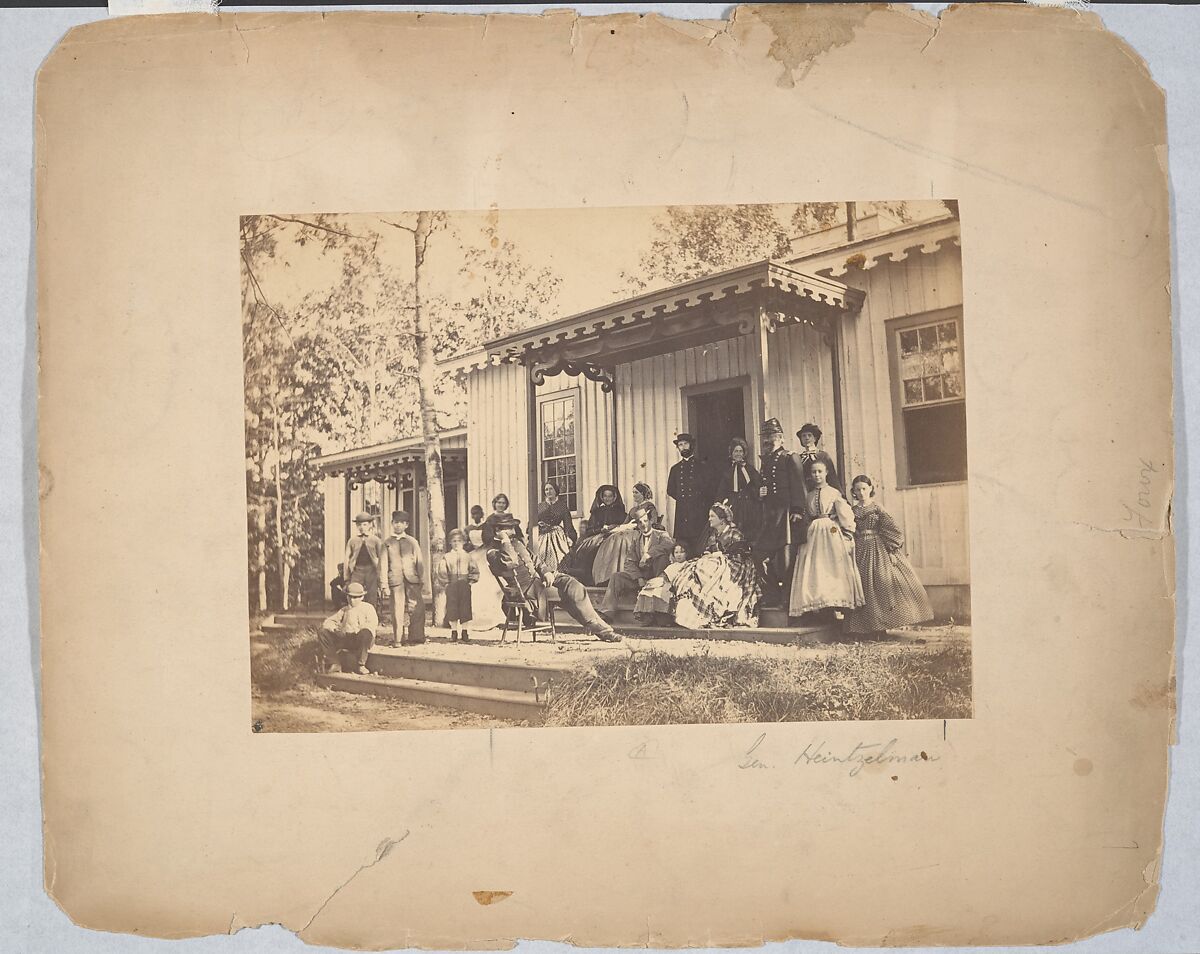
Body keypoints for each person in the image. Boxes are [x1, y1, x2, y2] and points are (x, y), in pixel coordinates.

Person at [484, 513, 622, 642]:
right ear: (498, 531)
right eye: (509, 529)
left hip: (540, 581)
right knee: (570, 595)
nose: (513, 531)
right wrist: (505, 541)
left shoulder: (517, 544)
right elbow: (511, 562)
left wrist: (546, 572)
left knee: (572, 584)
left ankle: (596, 625)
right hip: (530, 591)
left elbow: (536, 560)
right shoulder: (493, 552)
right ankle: (601, 629)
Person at [843, 475, 934, 636]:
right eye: (857, 489)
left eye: (864, 488)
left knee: (880, 585)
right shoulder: (852, 511)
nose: (861, 492)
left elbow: (892, 529)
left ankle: (881, 627)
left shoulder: (877, 508)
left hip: (878, 549)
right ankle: (865, 627)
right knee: (862, 586)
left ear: (870, 489)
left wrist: (892, 550)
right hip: (859, 549)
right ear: (854, 492)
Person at [788, 460, 864, 620]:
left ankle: (833, 605)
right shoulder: (807, 495)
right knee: (814, 568)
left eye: (820, 472)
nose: (816, 475)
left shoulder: (834, 493)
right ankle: (819, 608)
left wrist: (848, 531)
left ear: (826, 473)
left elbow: (844, 513)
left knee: (831, 568)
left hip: (831, 531)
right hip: (813, 533)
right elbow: (807, 516)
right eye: (814, 472)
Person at [672, 503, 763, 629]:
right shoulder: (713, 535)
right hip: (716, 563)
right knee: (693, 569)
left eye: (712, 516)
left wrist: (720, 556)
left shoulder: (735, 534)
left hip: (734, 567)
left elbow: (740, 557)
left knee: (708, 568)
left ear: (721, 520)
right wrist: (710, 555)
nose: (709, 519)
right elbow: (709, 551)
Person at [752, 418, 806, 608]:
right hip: (770, 517)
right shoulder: (765, 461)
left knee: (785, 561)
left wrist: (798, 510)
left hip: (787, 516)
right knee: (759, 554)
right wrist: (760, 493)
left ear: (781, 438)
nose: (769, 440)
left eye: (773, 436)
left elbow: (799, 485)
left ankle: (786, 599)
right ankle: (773, 594)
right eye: (766, 437)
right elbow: (761, 487)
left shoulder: (790, 457)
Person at [598, 504, 674, 622]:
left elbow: (669, 545)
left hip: (657, 577)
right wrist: (638, 577)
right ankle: (607, 612)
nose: (643, 525)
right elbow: (629, 562)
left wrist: (649, 554)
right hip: (641, 578)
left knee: (662, 557)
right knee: (616, 577)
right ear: (637, 525)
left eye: (645, 521)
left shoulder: (661, 535)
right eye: (640, 523)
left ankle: (656, 611)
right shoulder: (636, 540)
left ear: (650, 521)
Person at [591, 482, 664, 586]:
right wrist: (616, 528)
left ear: (643, 494)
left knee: (622, 540)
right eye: (633, 493)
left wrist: (636, 526)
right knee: (613, 538)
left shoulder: (649, 506)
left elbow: (653, 521)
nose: (634, 495)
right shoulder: (633, 509)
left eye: (636, 493)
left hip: (640, 532)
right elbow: (624, 524)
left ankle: (623, 572)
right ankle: (607, 575)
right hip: (629, 531)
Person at [557, 485, 626, 586]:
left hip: (616, 537)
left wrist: (616, 527)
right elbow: (589, 530)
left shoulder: (621, 512)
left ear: (614, 497)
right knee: (590, 550)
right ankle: (591, 579)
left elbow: (625, 526)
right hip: (599, 536)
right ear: (602, 497)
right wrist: (601, 529)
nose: (607, 499)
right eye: (605, 496)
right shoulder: (597, 512)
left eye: (610, 496)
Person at [380, 510, 426, 645]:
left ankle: (416, 637)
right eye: (396, 523)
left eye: (402, 523)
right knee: (396, 610)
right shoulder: (387, 543)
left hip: (412, 579)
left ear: (406, 525)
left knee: (417, 607)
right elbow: (382, 565)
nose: (398, 525)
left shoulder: (412, 542)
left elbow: (419, 561)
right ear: (392, 524)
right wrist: (384, 584)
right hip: (395, 580)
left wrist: (421, 578)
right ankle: (398, 639)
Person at [317, 582, 378, 675]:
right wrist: (335, 629)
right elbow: (329, 621)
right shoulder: (344, 610)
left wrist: (357, 630)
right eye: (350, 597)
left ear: (362, 597)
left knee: (366, 633)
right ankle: (334, 663)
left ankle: (361, 664)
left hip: (361, 639)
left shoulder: (368, 608)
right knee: (323, 632)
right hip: (347, 638)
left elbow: (371, 624)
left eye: (356, 597)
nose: (352, 600)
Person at [666, 432, 710, 556]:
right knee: (683, 547)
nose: (683, 447)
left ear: (691, 445)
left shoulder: (701, 466)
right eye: (680, 444)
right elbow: (671, 490)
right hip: (682, 512)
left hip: (698, 513)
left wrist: (696, 501)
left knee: (698, 547)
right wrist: (684, 500)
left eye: (686, 443)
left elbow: (708, 490)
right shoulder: (675, 469)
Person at [464, 504, 506, 631]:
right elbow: (466, 542)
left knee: (488, 585)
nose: (475, 516)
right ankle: (475, 618)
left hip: (484, 554)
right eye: (473, 514)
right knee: (475, 586)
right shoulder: (468, 528)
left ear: (482, 514)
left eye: (477, 513)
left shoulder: (485, 526)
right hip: (474, 554)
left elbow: (488, 540)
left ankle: (493, 619)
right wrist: (470, 546)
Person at [435, 528, 480, 642]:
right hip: (452, 585)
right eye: (454, 541)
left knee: (465, 608)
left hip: (464, 585)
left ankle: (465, 632)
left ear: (464, 542)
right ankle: (454, 632)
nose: (456, 543)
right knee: (452, 608)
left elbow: (474, 570)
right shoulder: (447, 557)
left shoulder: (468, 556)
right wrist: (446, 583)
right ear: (450, 542)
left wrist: (470, 581)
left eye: (459, 541)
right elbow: (442, 571)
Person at [713, 437, 761, 541]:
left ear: (744, 453)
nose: (738, 454)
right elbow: (722, 490)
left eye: (740, 451)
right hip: (733, 506)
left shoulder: (750, 469)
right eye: (736, 451)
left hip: (749, 505)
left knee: (749, 532)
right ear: (731, 453)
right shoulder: (727, 471)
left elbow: (758, 485)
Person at [634, 542, 690, 625]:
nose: (679, 555)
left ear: (686, 553)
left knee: (664, 591)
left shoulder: (688, 565)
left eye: (682, 552)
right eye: (676, 552)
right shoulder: (671, 566)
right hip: (666, 582)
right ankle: (648, 615)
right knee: (650, 589)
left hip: (678, 585)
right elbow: (664, 576)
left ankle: (664, 616)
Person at [531, 482, 577, 572]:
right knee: (540, 553)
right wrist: (539, 526)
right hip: (542, 534)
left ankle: (558, 575)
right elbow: (532, 523)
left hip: (557, 534)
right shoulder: (540, 506)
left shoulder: (562, 506)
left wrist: (569, 537)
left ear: (556, 490)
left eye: (551, 489)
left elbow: (568, 524)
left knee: (559, 554)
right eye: (546, 489)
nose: (548, 491)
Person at [344, 512, 384, 608]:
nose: (362, 527)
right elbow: (346, 559)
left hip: (371, 571)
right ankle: (354, 616)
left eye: (365, 524)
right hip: (357, 571)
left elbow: (382, 559)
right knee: (354, 593)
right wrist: (346, 577)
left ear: (370, 525)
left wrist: (381, 577)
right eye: (359, 525)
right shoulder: (352, 540)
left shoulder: (376, 540)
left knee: (371, 595)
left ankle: (371, 618)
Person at [795, 423, 843, 494]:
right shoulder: (798, 458)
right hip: (805, 493)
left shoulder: (823, 456)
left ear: (815, 438)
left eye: (809, 435)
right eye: (804, 436)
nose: (806, 438)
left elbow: (832, 477)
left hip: (822, 491)